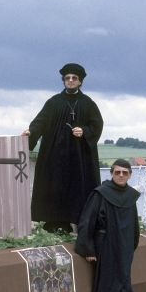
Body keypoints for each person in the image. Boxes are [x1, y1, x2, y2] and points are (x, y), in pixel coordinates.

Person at [21, 63, 103, 233]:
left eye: (74, 78)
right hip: (55, 155)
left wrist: (84, 131)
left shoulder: (88, 104)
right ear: (64, 81)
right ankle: (54, 224)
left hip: (80, 157)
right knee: (54, 186)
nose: (70, 80)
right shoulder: (53, 102)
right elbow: (40, 122)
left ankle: (81, 225)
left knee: (78, 187)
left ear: (80, 82)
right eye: (67, 78)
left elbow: (96, 125)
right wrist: (31, 132)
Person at [74, 159, 140, 292]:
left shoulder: (131, 196)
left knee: (122, 284)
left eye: (125, 172)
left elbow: (134, 225)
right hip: (106, 246)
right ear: (111, 174)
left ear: (130, 175)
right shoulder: (100, 193)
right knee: (117, 285)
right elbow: (87, 221)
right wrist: (88, 249)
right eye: (117, 172)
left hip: (124, 248)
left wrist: (131, 247)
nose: (121, 175)